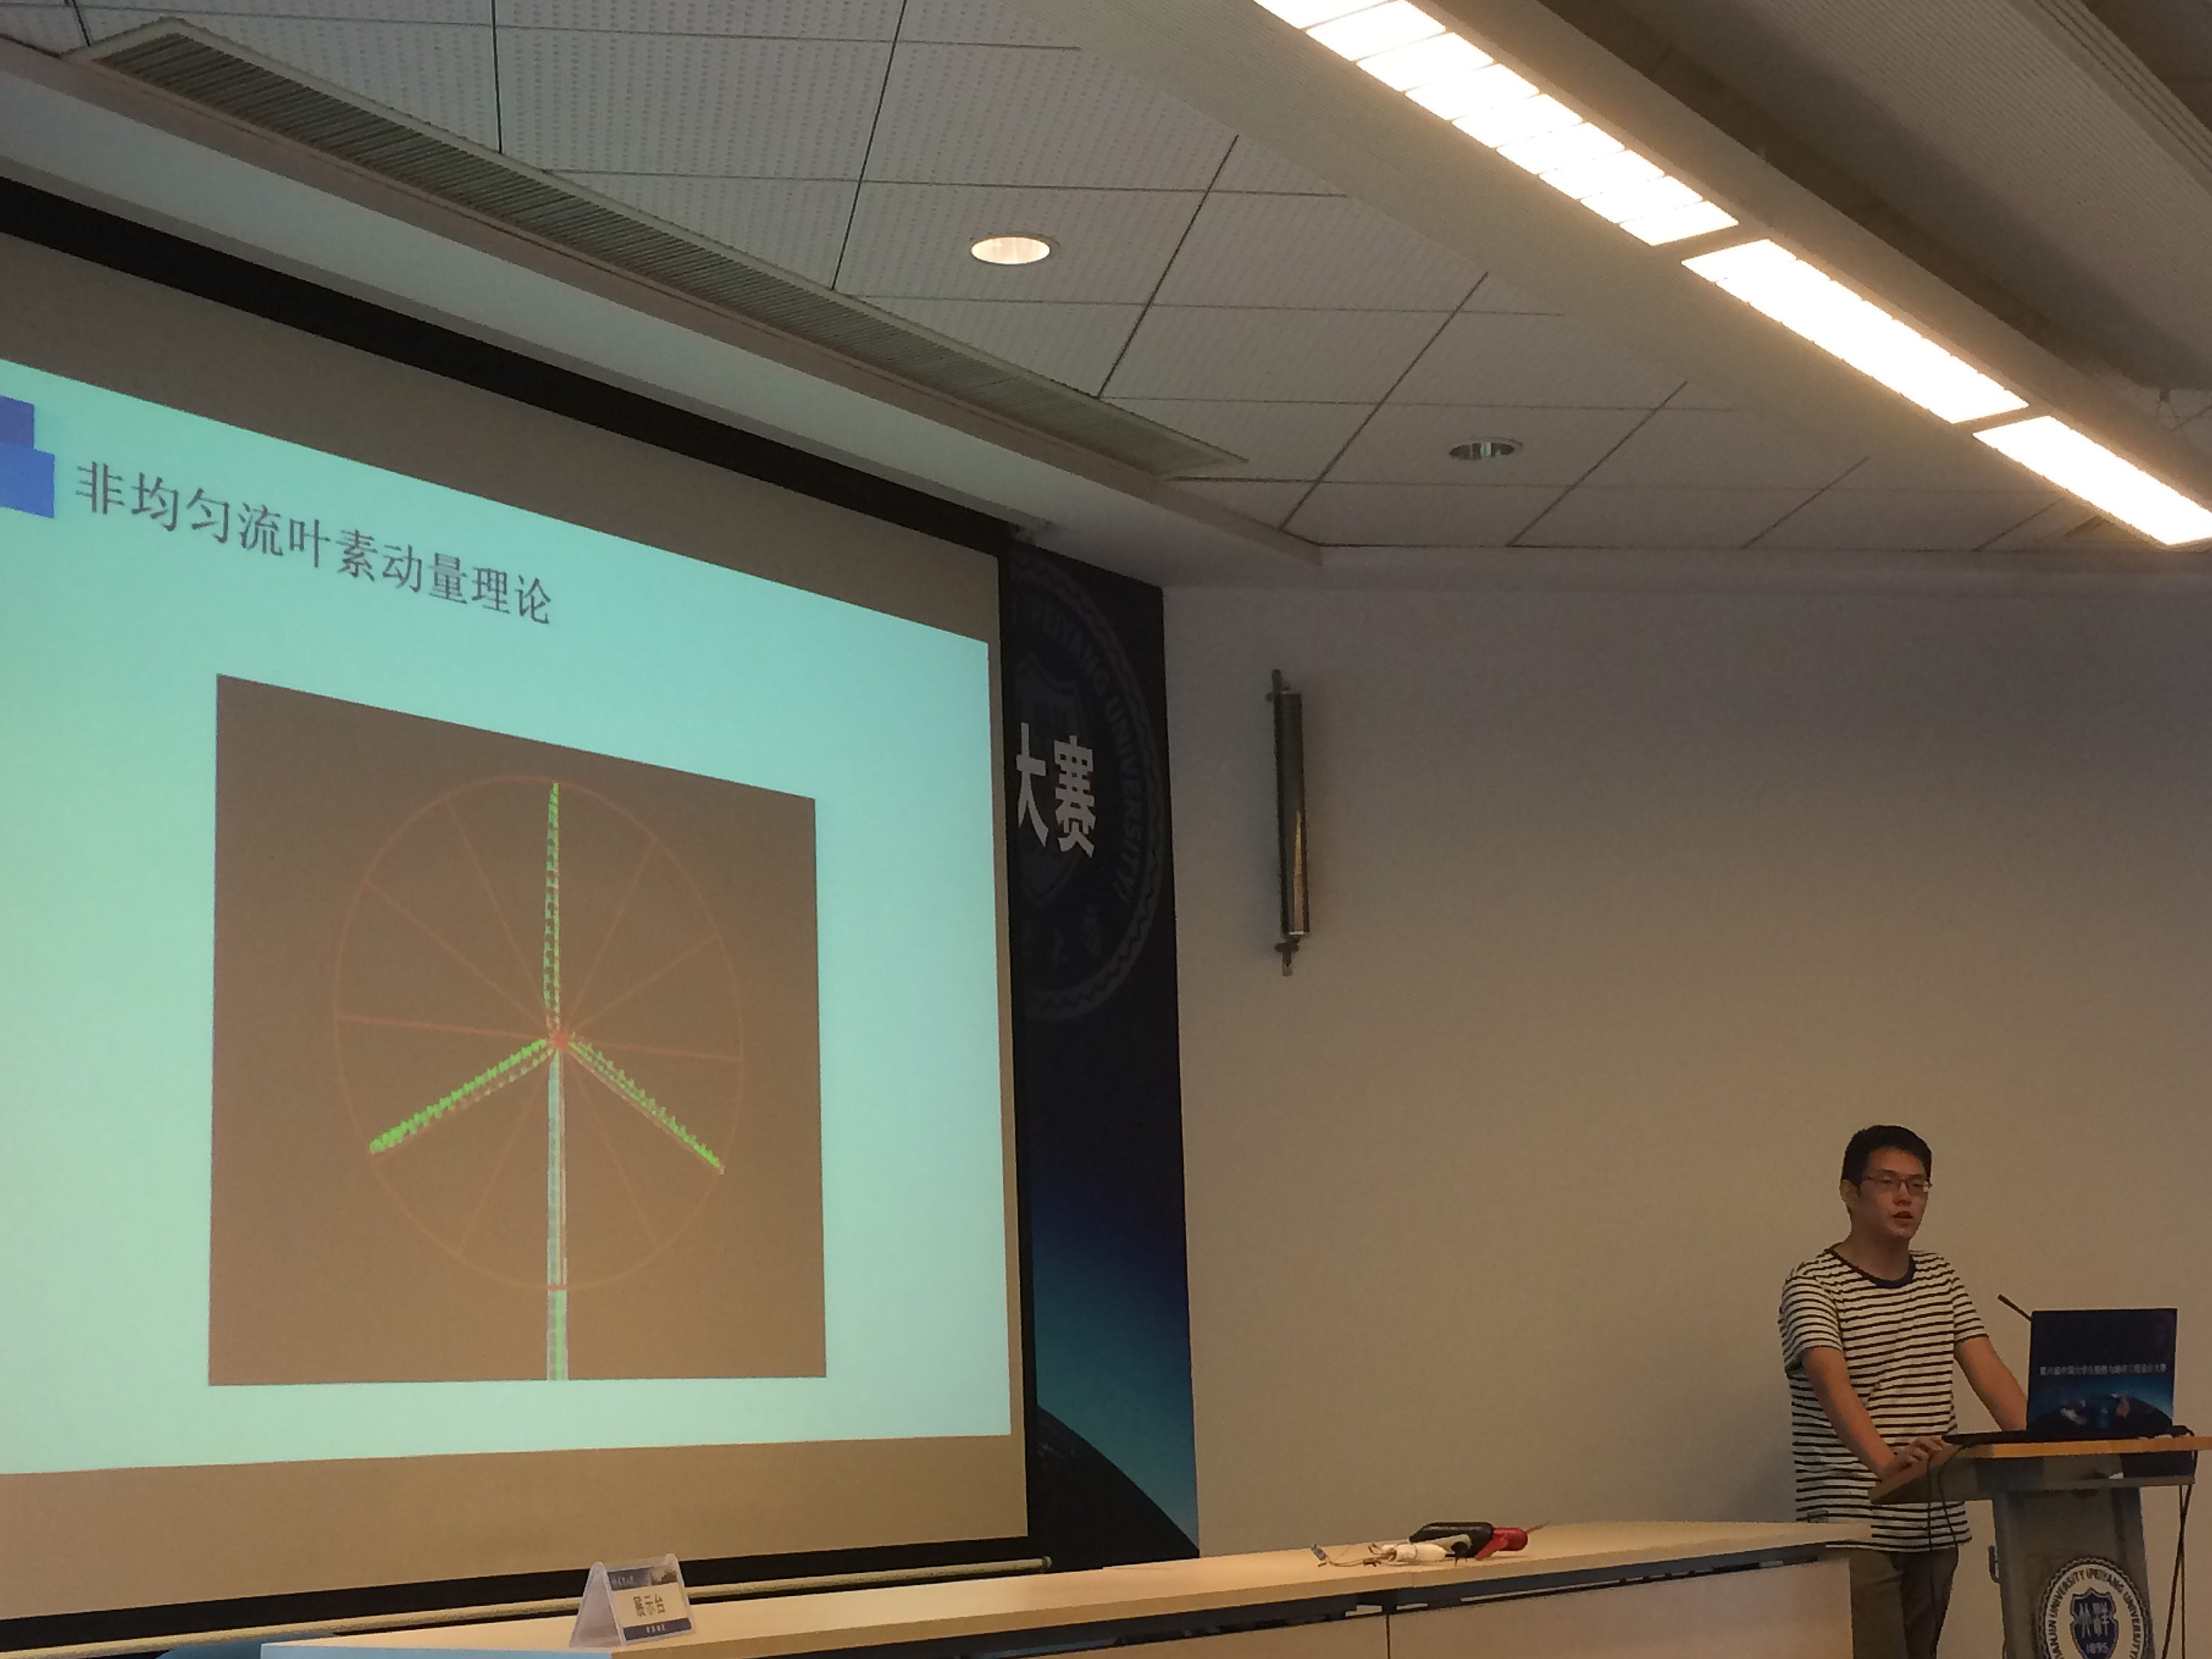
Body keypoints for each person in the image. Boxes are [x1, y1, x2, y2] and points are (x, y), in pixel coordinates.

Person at [1778, 1125, 2027, 1659]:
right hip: (1853, 1523)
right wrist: (1889, 1467)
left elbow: (1989, 1373)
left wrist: (2045, 1449)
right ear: (1850, 1193)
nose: (1905, 1197)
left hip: (1934, 1520)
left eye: (1918, 1185)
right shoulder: (1814, 1284)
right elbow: (1831, 1385)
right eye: (1888, 1182)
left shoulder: (1940, 1277)